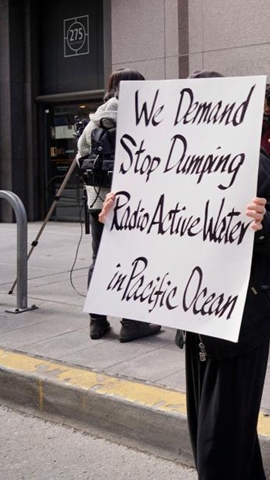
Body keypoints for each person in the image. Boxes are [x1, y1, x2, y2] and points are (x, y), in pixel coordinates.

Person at [100, 69, 270, 479]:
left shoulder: (251, 163)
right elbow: (156, 230)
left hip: (244, 321)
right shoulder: (165, 165)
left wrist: (265, 224)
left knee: (217, 445)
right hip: (197, 322)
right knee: (219, 435)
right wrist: (115, 220)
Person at [76, 68, 162, 342]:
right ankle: (132, 322)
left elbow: (81, 160)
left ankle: (97, 322)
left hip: (98, 202)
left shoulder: (95, 121)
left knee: (99, 260)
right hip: (131, 204)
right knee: (133, 260)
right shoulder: (138, 116)